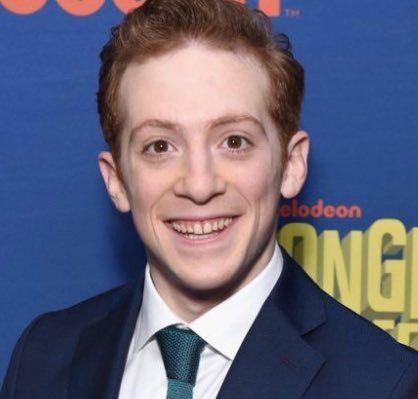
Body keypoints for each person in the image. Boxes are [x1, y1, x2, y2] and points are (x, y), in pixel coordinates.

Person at [1, 0, 418, 398]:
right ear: (117, 181)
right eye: (160, 146)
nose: (199, 186)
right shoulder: (45, 356)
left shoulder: (385, 384)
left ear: (291, 164)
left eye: (234, 141)